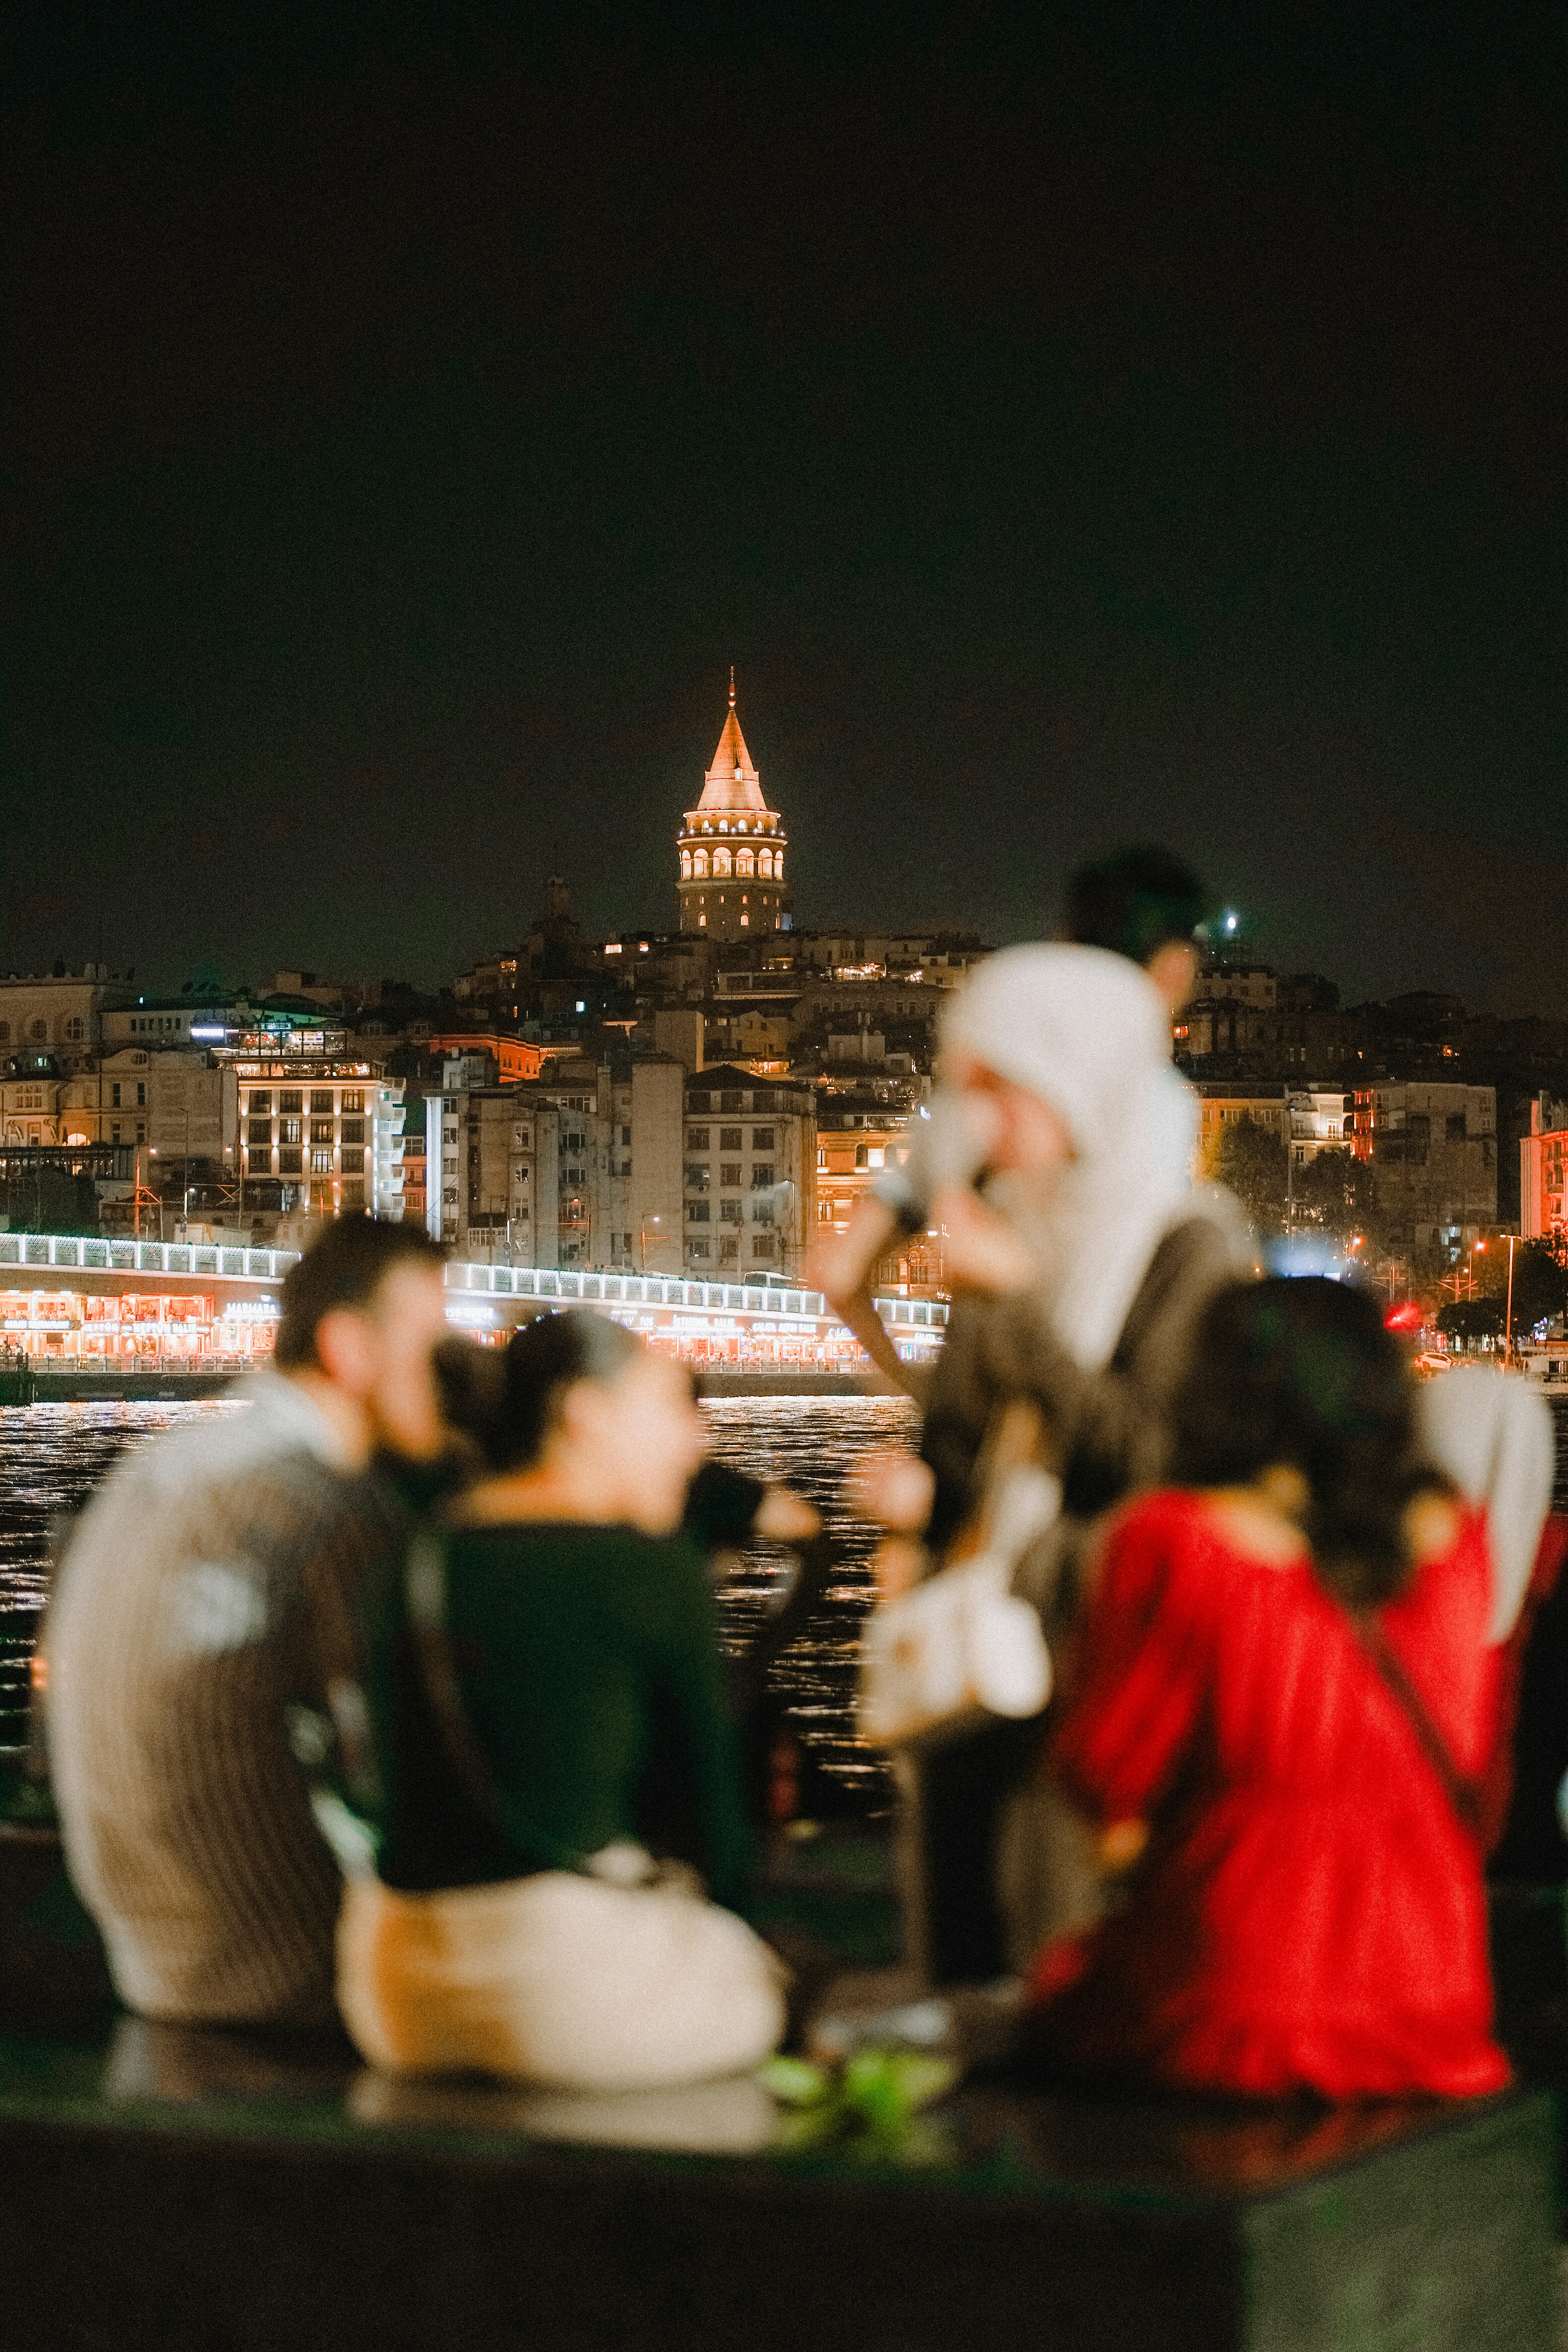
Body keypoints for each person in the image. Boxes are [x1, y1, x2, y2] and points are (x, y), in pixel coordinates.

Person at [862, 942, 1252, 1986]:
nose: (980, 1119)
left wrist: (1022, 1309)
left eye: (1002, 1087)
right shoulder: (1009, 1229)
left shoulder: (1189, 1251)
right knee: (954, 1944)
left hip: (1095, 1653)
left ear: (1079, 1081)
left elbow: (1149, 1458)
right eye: (966, 1088)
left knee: (1058, 1949)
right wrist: (920, 1495)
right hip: (973, 1642)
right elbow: (961, 1439)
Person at [1025, 1277, 1511, 2100]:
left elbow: (1109, 1817)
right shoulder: (1454, 1546)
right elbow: (1470, 1761)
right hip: (1436, 2004)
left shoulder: (1173, 1545)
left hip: (1236, 2007)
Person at [336, 1311, 787, 2093]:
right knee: (766, 1981)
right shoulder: (650, 1571)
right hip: (566, 1998)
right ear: (588, 1415)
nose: (694, 1442)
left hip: (394, 1998)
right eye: (672, 1408)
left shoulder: (411, 1560)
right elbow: (720, 1846)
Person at [45, 1216, 454, 2029]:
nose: (447, 1379)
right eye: (431, 1350)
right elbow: (420, 1764)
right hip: (286, 1966)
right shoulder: (318, 1505)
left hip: (153, 1965)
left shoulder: (166, 1466)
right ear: (347, 1347)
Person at [815, 844, 1210, 1387]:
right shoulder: (1160, 1105)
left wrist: (930, 1407)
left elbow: (837, 1273)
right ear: (1175, 968)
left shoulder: (967, 1100)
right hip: (1086, 1429)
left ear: (1065, 940)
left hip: (980, 1432)